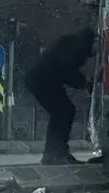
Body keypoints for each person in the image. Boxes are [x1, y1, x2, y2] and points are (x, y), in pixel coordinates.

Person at [24, 28, 96, 165]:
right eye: (98, 47)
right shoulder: (78, 46)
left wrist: (82, 83)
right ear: (94, 41)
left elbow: (66, 69)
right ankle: (58, 153)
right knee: (64, 112)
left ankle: (52, 153)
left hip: (42, 80)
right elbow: (67, 69)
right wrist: (83, 84)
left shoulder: (75, 42)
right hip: (43, 80)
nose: (97, 52)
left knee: (61, 113)